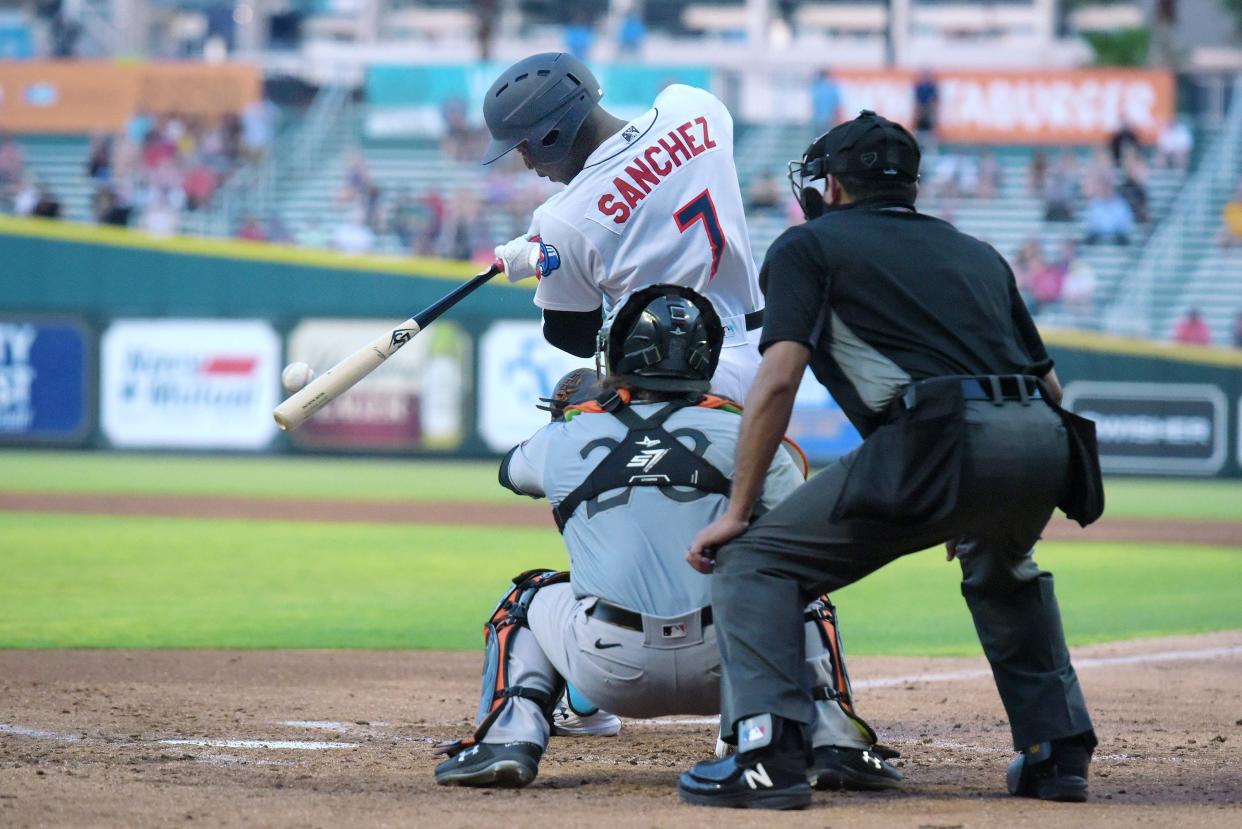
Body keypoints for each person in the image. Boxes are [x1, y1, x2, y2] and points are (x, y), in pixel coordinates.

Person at [676, 111, 1102, 810]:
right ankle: (1057, 753)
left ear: (833, 186)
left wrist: (738, 511)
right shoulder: (976, 252)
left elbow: (778, 379)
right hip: (1044, 439)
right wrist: (976, 498)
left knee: (755, 562)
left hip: (940, 435)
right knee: (1003, 569)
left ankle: (764, 754)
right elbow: (1049, 386)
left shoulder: (807, 247)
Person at [432, 285, 900, 793]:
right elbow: (802, 520)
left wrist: (587, 416)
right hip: (735, 670)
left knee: (525, 598)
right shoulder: (747, 432)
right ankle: (837, 743)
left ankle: (506, 742)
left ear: (615, 352)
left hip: (607, 669)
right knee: (801, 593)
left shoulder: (565, 436)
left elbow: (513, 473)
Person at [482, 52, 765, 403]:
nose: (526, 162)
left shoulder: (566, 220)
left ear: (552, 134)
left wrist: (546, 258)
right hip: (758, 357)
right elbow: (660, 203)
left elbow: (574, 339)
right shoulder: (696, 107)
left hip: (670, 379)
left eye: (524, 147)